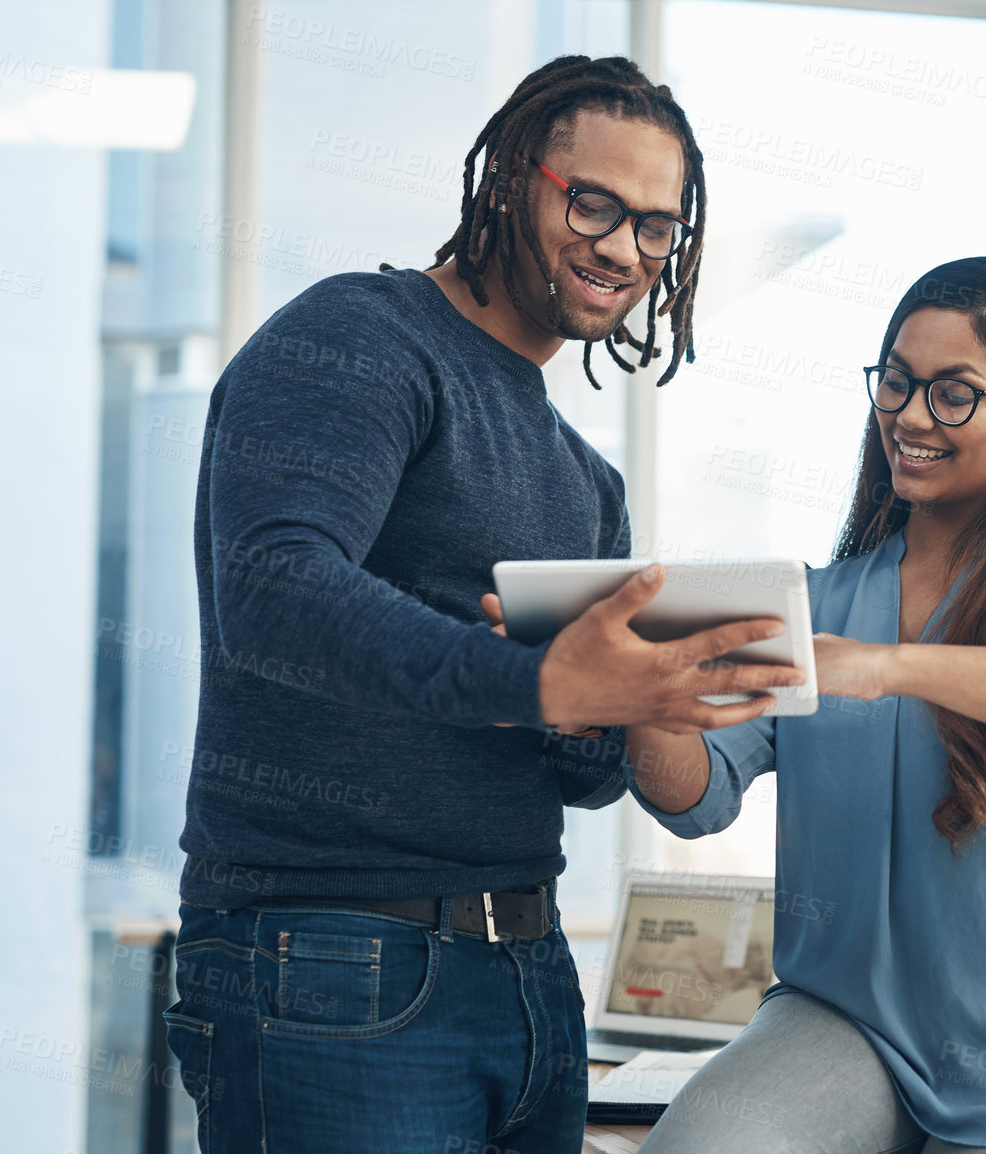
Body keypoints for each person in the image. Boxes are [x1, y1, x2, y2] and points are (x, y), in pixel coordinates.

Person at [163, 56, 803, 1154]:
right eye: (593, 202)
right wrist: (539, 676)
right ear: (513, 177)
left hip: (526, 973)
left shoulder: (583, 479)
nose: (622, 249)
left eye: (655, 227)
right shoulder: (362, 338)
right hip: (333, 962)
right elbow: (272, 586)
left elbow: (577, 769)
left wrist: (645, 695)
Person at [623, 257, 986, 1153]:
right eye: (896, 381)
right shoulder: (813, 601)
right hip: (850, 1018)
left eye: (955, 393)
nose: (910, 414)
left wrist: (898, 666)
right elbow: (694, 797)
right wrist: (647, 690)